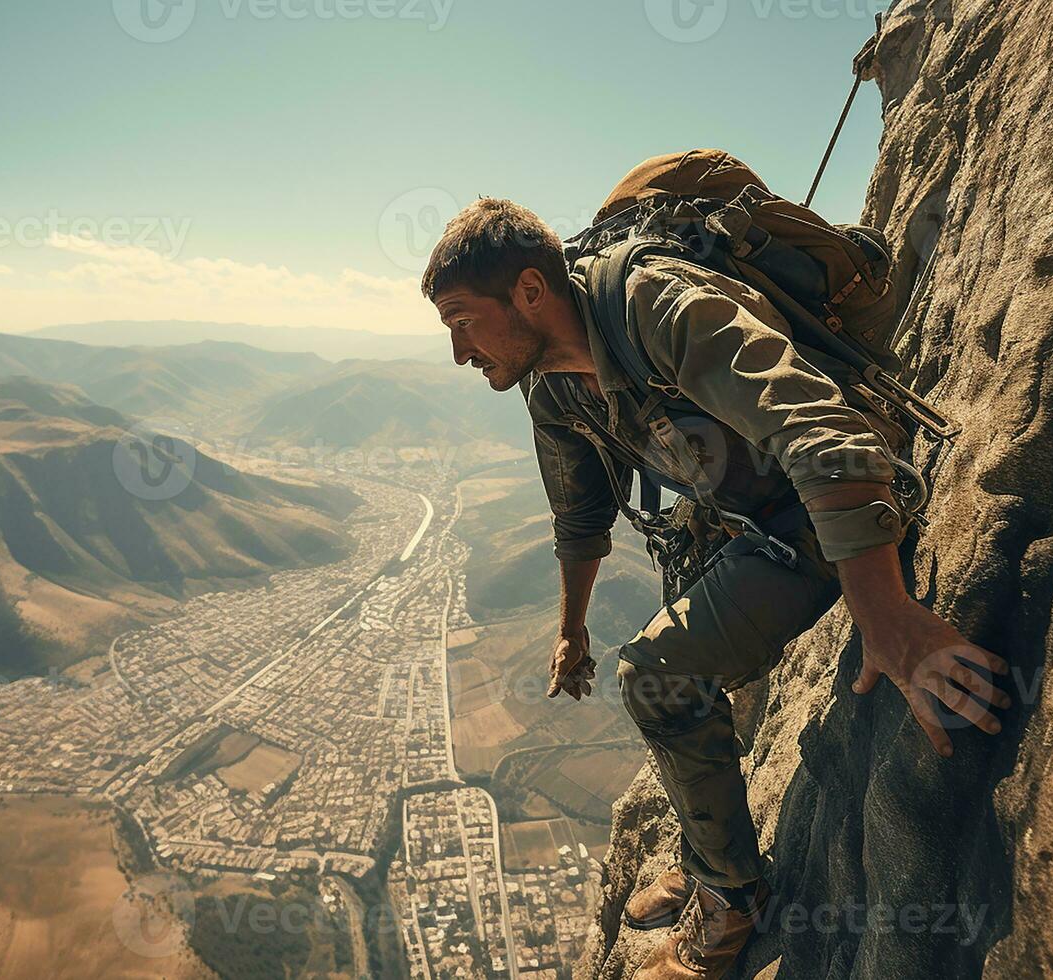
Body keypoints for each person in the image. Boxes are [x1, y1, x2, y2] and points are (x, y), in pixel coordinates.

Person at [422, 198, 1010, 978]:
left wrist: (887, 617)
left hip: (827, 505)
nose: (460, 352)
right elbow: (581, 514)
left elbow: (821, 435)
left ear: (530, 291)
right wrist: (573, 628)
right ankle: (710, 858)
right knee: (667, 660)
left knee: (657, 677)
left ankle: (730, 901)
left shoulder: (655, 306)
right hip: (749, 514)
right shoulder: (553, 388)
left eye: (463, 321)